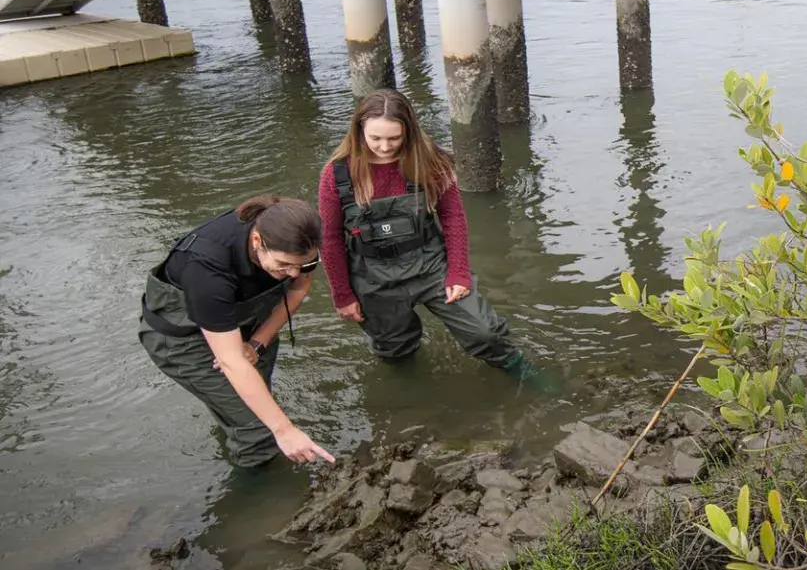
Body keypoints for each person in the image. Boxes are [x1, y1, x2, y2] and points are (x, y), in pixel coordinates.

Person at [317, 89, 547, 389]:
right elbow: (330, 237)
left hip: (430, 264)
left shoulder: (431, 162)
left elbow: (453, 218)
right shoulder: (336, 174)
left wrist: (459, 273)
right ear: (359, 130)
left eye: (394, 138)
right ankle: (414, 395)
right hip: (373, 275)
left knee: (484, 332)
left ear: (408, 131)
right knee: (394, 350)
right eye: (375, 138)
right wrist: (343, 295)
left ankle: (523, 374)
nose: (385, 147)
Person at [139, 196, 335, 468]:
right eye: (282, 265)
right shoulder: (207, 271)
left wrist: (257, 343)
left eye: (304, 265)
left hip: (248, 320)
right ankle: (264, 498)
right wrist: (284, 430)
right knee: (258, 428)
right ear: (257, 241)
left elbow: (298, 290)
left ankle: (237, 431)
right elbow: (231, 361)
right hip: (182, 339)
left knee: (253, 405)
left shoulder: (297, 235)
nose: (293, 273)